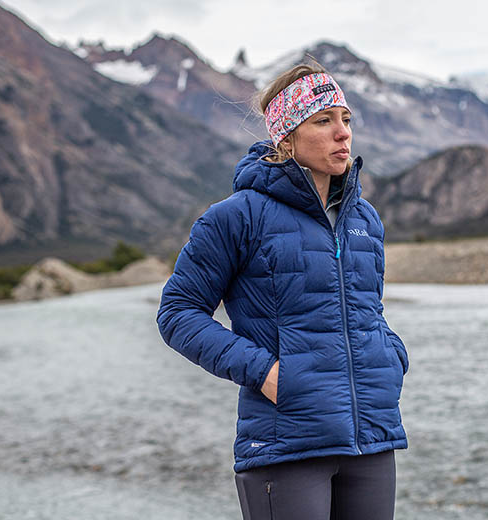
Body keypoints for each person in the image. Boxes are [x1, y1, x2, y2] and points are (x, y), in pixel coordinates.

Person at [157, 62, 409, 520]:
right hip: (285, 444)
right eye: (323, 121)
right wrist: (266, 372)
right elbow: (178, 313)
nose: (342, 134)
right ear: (286, 138)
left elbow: (368, 309)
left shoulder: (364, 219)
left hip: (372, 436)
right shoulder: (236, 217)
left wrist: (391, 357)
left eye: (346, 119)